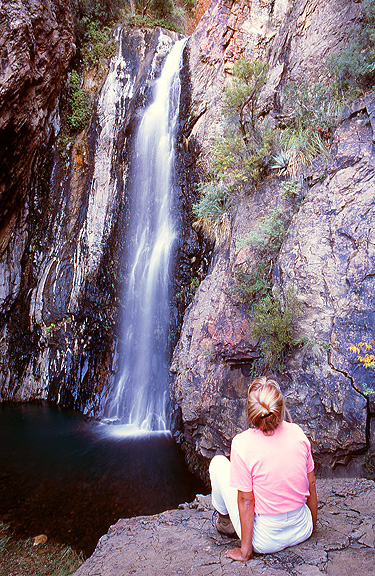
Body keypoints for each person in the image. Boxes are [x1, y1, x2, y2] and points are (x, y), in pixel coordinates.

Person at [209, 376, 317, 562]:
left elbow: (246, 501)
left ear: (251, 416)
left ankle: (225, 522)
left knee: (218, 463)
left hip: (265, 540)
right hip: (302, 529)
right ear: (280, 409)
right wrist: (311, 527)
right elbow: (312, 483)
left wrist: (245, 552)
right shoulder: (298, 433)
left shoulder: (242, 443)